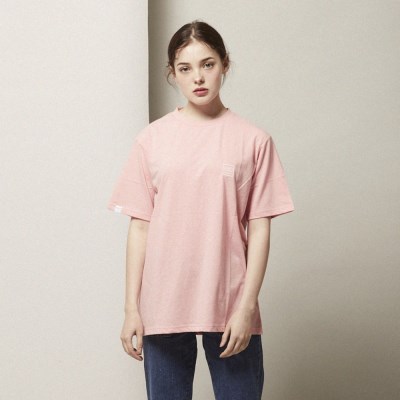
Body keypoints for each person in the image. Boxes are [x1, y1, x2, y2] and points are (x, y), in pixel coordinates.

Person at [107, 20, 295, 400]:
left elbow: (260, 228)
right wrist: (131, 309)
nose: (198, 77)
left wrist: (246, 308)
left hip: (229, 301)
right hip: (163, 302)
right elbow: (140, 227)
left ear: (225, 64)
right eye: (185, 68)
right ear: (172, 73)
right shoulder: (151, 140)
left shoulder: (254, 141)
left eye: (207, 64)